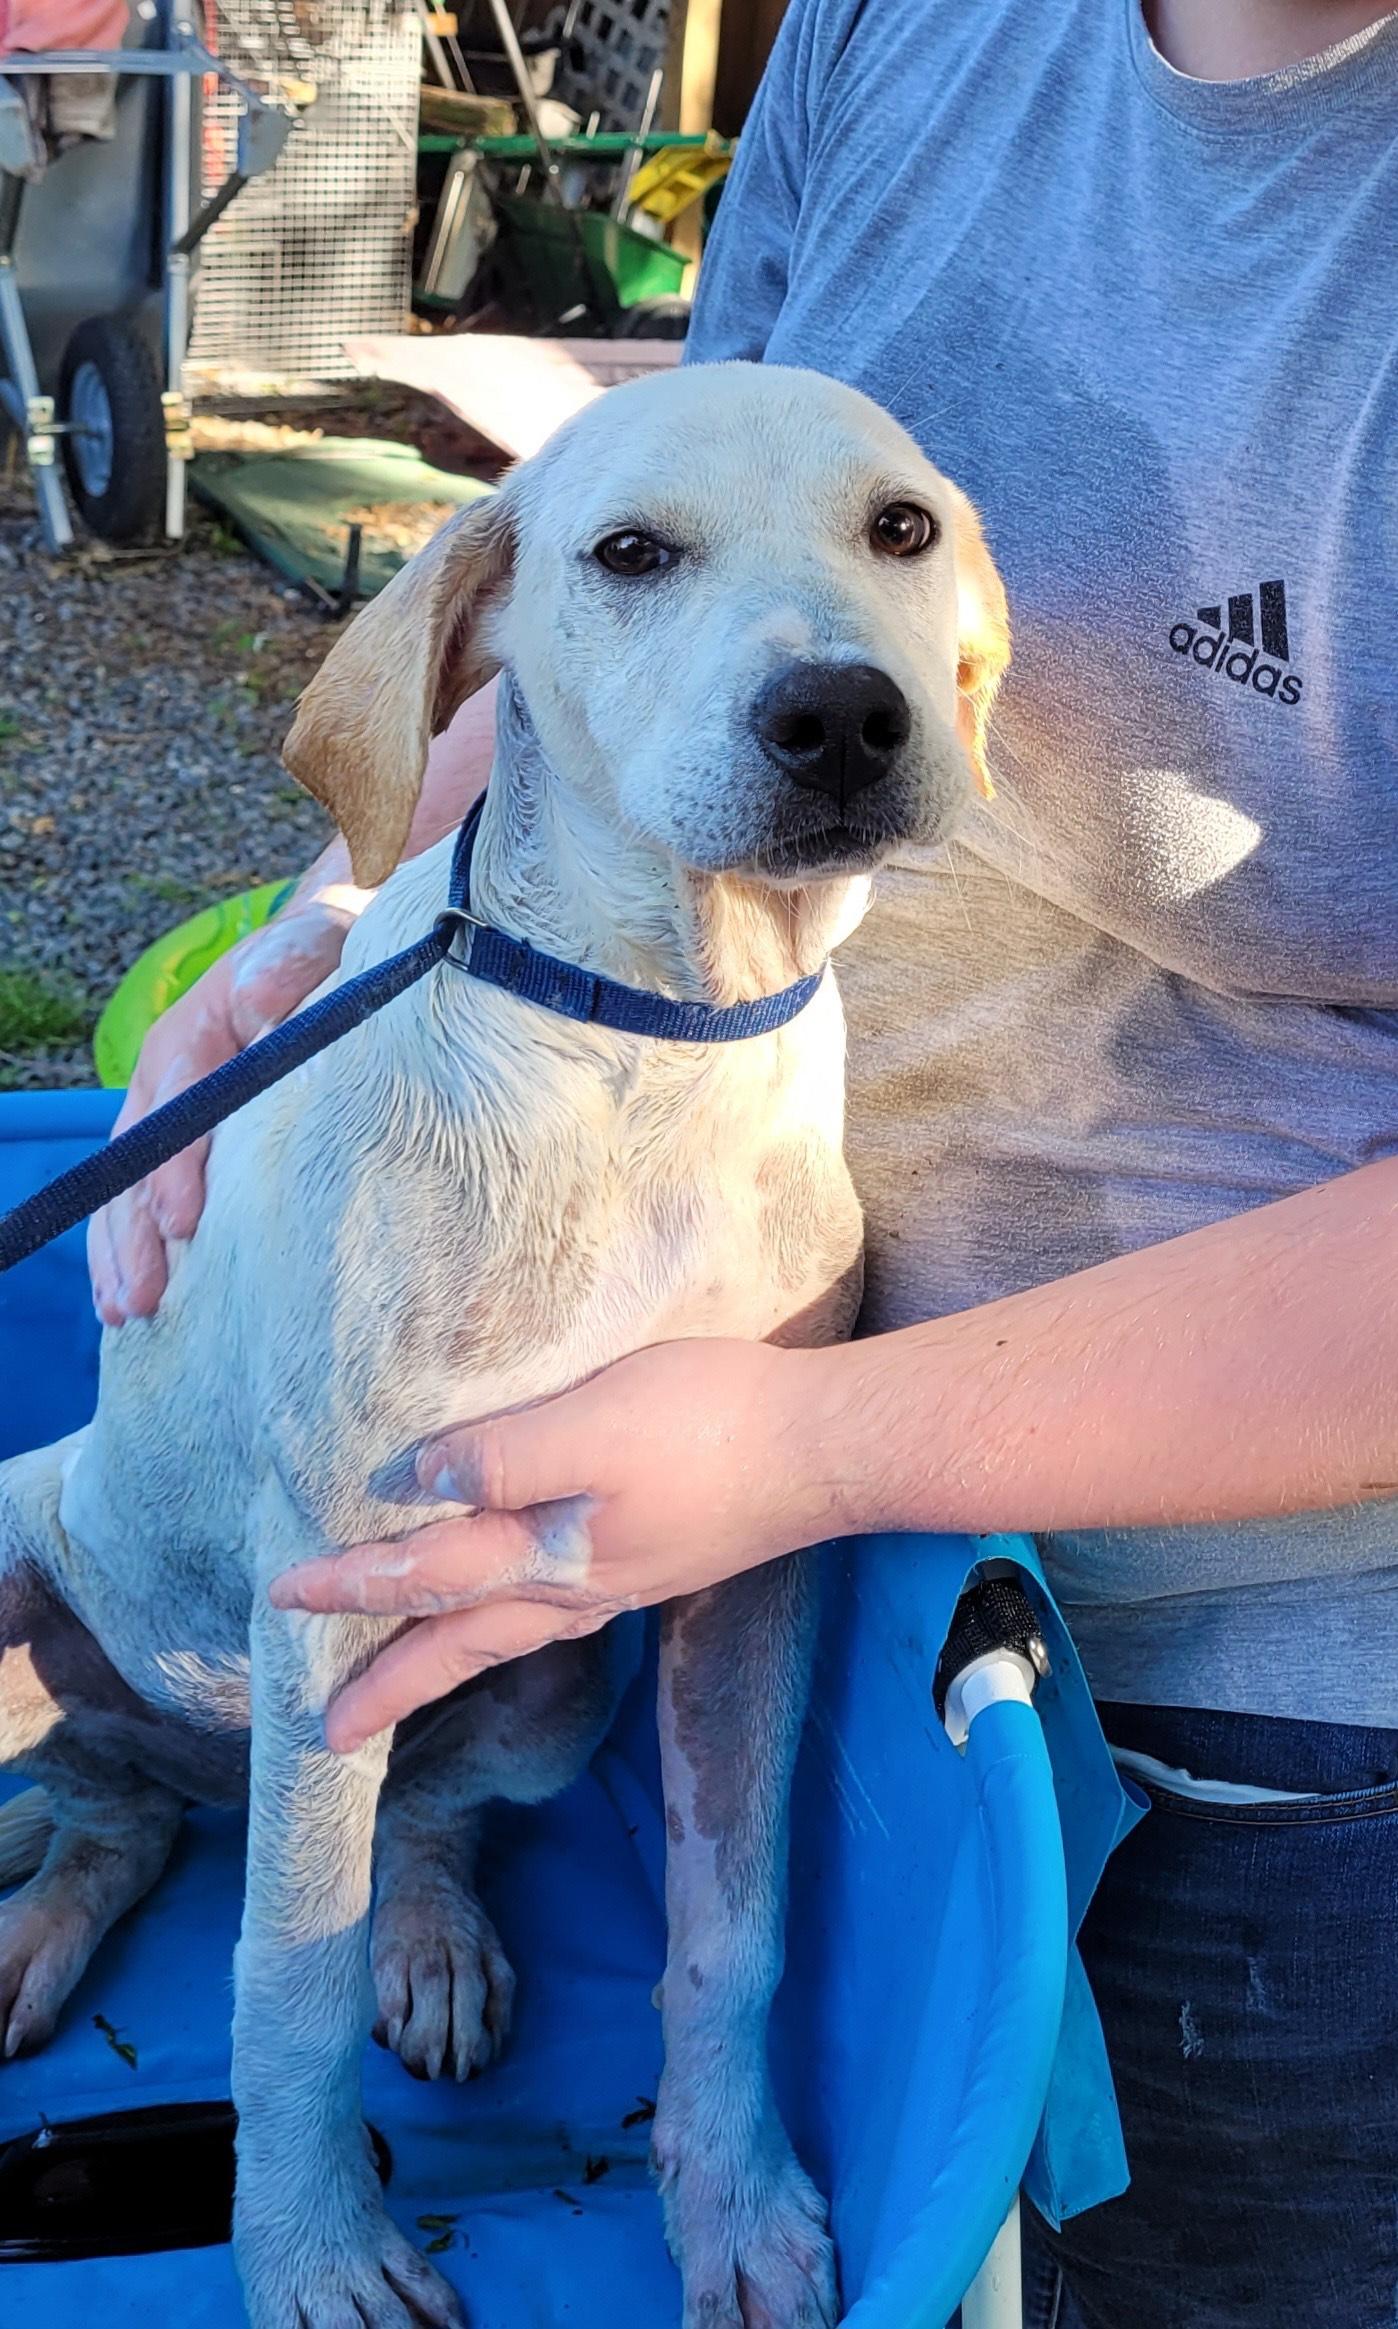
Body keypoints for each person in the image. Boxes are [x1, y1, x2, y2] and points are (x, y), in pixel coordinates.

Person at [92, 3, 1398, 2321]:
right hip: (692, 1456)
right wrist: (336, 909)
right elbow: (638, 552)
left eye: (904, 540)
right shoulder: (916, 18)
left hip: (1243, 1679)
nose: (840, 669)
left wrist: (809, 1444)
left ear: (967, 617)